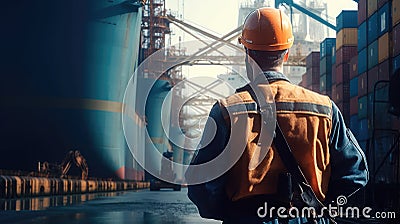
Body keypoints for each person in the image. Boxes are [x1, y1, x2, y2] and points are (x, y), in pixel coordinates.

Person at [187, 7, 369, 224]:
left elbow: (202, 184)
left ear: (247, 53)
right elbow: (356, 174)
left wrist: (232, 213)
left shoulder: (227, 111)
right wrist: (324, 208)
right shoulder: (325, 109)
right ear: (288, 53)